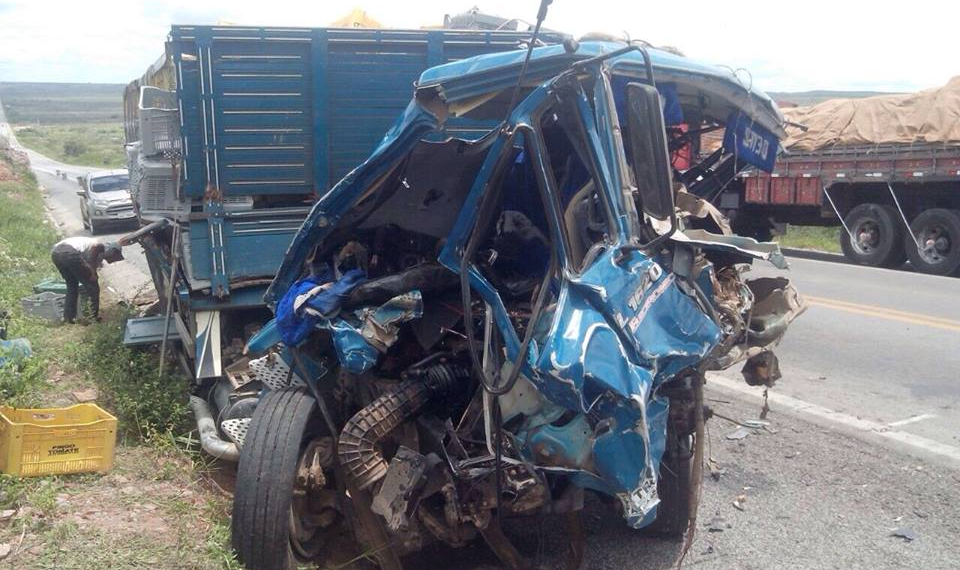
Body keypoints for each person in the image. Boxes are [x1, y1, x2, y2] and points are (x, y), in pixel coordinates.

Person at [50, 236, 124, 323]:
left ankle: (69, 318)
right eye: (112, 256)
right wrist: (92, 273)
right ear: (111, 251)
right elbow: (94, 250)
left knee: (72, 286)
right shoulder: (100, 245)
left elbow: (87, 263)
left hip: (56, 253)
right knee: (93, 286)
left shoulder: (92, 249)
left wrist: (92, 271)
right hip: (69, 252)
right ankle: (92, 317)